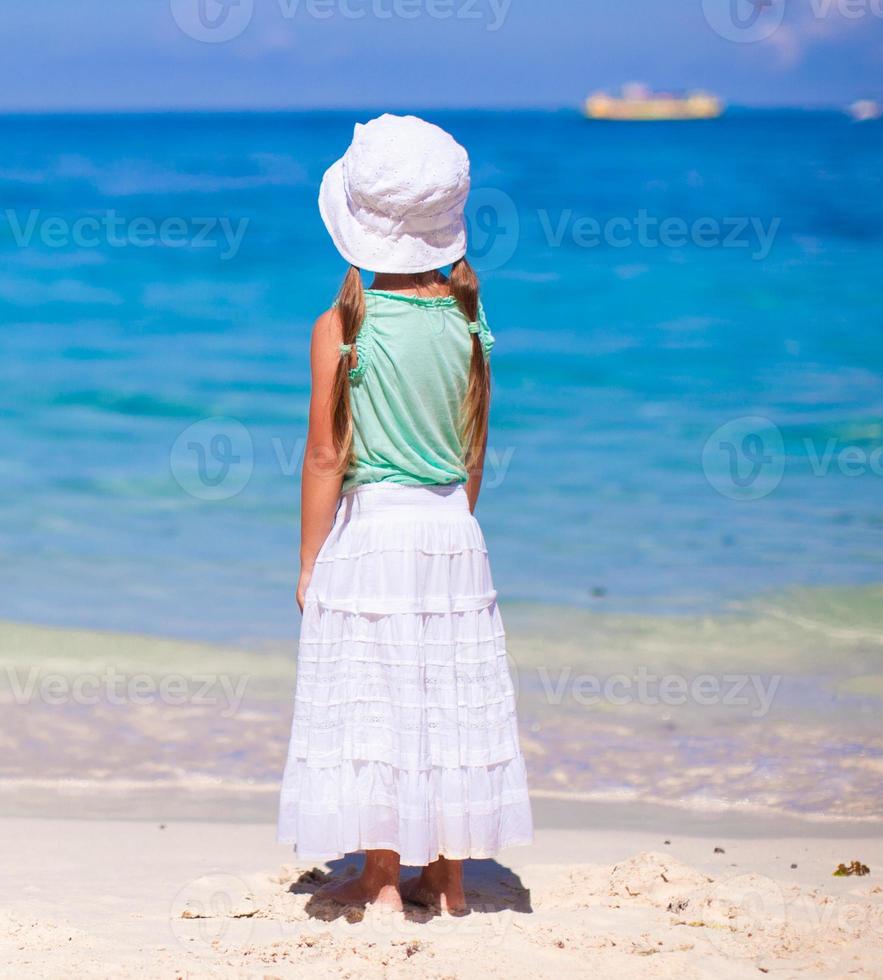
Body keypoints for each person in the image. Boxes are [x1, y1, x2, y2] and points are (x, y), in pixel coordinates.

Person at [277, 114, 534, 914]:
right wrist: (456, 526)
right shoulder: (469, 322)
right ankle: (449, 878)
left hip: (373, 531)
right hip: (453, 528)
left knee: (379, 703)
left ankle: (384, 878)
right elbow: (475, 450)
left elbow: (325, 457)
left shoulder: (342, 327)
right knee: (446, 696)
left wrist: (310, 562)